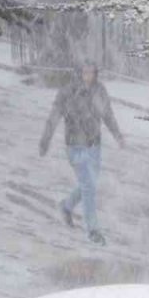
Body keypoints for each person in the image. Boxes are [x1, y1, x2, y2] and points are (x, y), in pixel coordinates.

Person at [40, 62, 126, 245]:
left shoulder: (99, 91)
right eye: (85, 72)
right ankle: (93, 231)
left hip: (94, 146)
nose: (88, 75)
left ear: (95, 73)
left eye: (91, 72)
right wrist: (45, 139)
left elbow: (108, 115)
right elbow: (54, 116)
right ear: (79, 73)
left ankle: (66, 206)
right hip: (75, 146)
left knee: (89, 184)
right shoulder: (67, 92)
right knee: (89, 187)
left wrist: (117, 134)